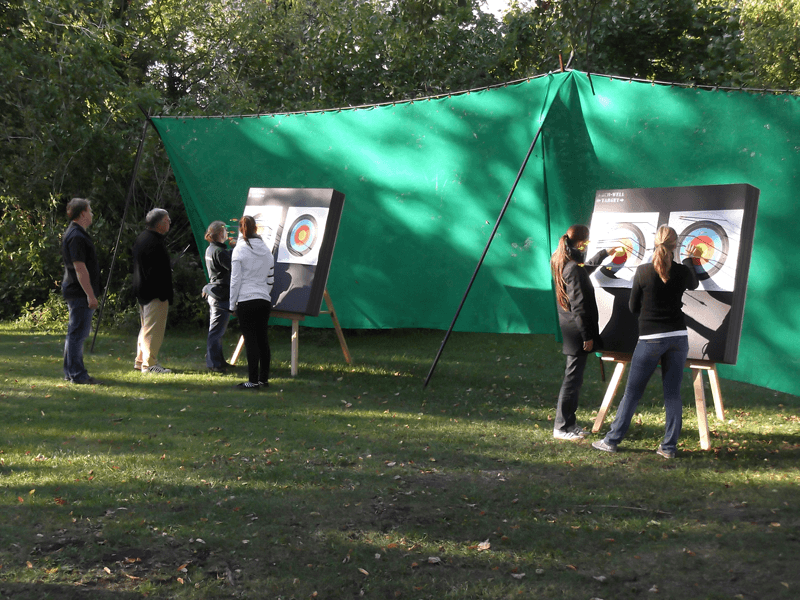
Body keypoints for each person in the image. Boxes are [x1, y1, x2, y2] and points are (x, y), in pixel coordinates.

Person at [592, 225, 700, 458]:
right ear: (675, 245)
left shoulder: (642, 271)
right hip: (678, 338)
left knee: (632, 393)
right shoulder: (682, 272)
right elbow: (693, 284)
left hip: (650, 339)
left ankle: (611, 441)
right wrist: (691, 259)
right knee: (672, 394)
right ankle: (669, 448)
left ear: (654, 242)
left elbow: (633, 307)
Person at [551, 224, 616, 440]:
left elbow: (583, 271)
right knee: (572, 379)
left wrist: (604, 254)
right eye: (586, 243)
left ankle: (570, 424)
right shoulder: (572, 267)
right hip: (577, 330)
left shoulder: (562, 261)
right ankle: (561, 427)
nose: (586, 247)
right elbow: (579, 306)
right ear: (580, 243)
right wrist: (587, 336)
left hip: (571, 327)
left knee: (575, 378)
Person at [229, 215, 275, 390]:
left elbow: (235, 280)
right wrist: (264, 293)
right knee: (263, 339)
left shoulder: (239, 250)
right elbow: (270, 279)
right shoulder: (266, 250)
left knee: (251, 341)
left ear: (241, 230)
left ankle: (253, 380)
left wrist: (232, 305)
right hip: (263, 300)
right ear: (256, 229)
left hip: (246, 300)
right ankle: (263, 379)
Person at [61, 198, 101, 385]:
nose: (92, 214)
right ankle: (77, 374)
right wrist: (90, 295)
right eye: (90, 210)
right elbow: (79, 267)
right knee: (78, 334)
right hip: (79, 291)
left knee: (74, 333)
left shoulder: (76, 233)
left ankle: (71, 372)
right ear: (83, 213)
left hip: (76, 290)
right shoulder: (76, 236)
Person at [132, 208, 174, 374]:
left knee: (147, 327)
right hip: (154, 291)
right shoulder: (153, 241)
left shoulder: (144, 238)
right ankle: (149, 365)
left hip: (144, 289)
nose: (170, 222)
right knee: (153, 330)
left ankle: (140, 360)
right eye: (167, 219)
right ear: (160, 223)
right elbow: (154, 270)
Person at [203, 220, 233, 373]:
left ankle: (219, 361)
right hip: (220, 295)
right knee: (216, 331)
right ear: (221, 234)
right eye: (225, 232)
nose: (227, 234)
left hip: (215, 293)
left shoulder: (211, 249)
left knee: (217, 330)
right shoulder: (219, 252)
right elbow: (234, 268)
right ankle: (214, 364)